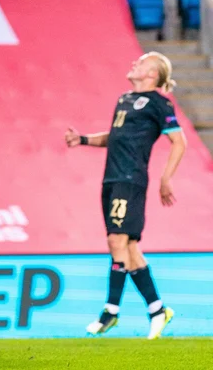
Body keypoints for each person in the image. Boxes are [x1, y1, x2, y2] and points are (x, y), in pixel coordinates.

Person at [65, 52, 186, 340]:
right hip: (111, 179)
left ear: (152, 75)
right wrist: (83, 139)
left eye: (142, 62)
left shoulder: (159, 103)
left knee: (116, 240)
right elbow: (114, 136)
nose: (135, 63)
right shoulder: (124, 99)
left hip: (130, 180)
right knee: (129, 249)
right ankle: (158, 310)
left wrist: (165, 178)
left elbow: (179, 142)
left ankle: (110, 312)